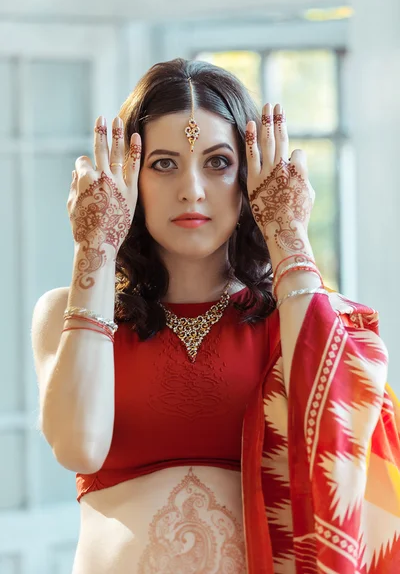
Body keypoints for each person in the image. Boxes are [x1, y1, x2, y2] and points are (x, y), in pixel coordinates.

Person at [31, 58, 400, 574]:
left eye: (218, 162)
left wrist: (288, 235)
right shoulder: (66, 313)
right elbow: (79, 447)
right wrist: (96, 246)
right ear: (127, 176)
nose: (193, 190)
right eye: (163, 164)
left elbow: (333, 446)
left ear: (251, 176)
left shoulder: (290, 318)